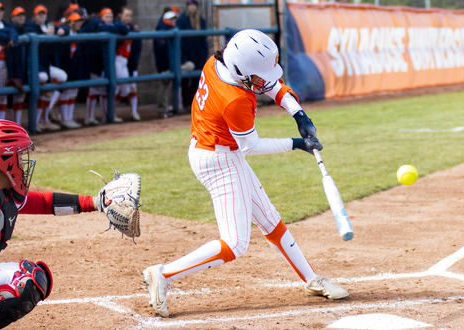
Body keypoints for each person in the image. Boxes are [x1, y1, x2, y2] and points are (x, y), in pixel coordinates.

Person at [142, 29, 349, 318]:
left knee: (270, 220)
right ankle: (164, 274)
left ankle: (312, 279)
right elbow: (251, 145)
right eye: (258, 76)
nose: (265, 81)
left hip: (219, 152)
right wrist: (298, 144)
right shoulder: (234, 99)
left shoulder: (220, 62)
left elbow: (273, 85)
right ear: (242, 72)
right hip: (218, 160)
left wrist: (298, 113)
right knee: (235, 244)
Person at [0, 119, 110, 329]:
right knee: (24, 279)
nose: (23, 161)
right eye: (19, 155)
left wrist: (96, 203)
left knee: (33, 278)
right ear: (4, 157)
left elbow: (45, 203)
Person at [23, 5, 68, 132]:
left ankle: (45, 117)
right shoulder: (30, 25)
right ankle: (36, 123)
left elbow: (66, 29)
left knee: (62, 76)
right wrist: (45, 34)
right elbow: (29, 32)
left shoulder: (49, 25)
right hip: (34, 66)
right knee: (43, 81)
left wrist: (62, 31)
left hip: (46, 66)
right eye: (39, 14)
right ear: (34, 16)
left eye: (43, 14)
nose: (42, 16)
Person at [84, 8, 129, 125]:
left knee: (104, 89)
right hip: (94, 61)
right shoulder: (95, 22)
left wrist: (113, 27)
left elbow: (124, 30)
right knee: (93, 89)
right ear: (101, 17)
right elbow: (101, 27)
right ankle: (90, 117)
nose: (109, 19)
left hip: (105, 62)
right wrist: (114, 29)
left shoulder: (114, 24)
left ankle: (107, 116)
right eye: (106, 17)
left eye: (110, 17)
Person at [175, 0, 208, 113]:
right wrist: (183, 57)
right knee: (185, 80)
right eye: (190, 5)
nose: (192, 7)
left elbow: (204, 40)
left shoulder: (201, 20)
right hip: (186, 53)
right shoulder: (182, 20)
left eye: (194, 5)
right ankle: (186, 103)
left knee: (197, 80)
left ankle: (195, 103)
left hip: (198, 54)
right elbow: (180, 41)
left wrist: (204, 54)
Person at [57, 12, 88, 129]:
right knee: (65, 93)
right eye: (76, 21)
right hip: (65, 67)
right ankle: (64, 119)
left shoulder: (79, 34)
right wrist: (63, 30)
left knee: (73, 93)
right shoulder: (65, 30)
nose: (79, 23)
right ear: (70, 22)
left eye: (80, 21)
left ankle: (69, 118)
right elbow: (60, 29)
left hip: (75, 68)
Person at [0, 2, 19, 121]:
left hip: (2, 64)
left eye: (1, 11)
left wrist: (11, 38)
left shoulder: (7, 26)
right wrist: (5, 38)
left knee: (2, 96)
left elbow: (14, 32)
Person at [116, 6, 141, 121]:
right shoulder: (117, 26)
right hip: (117, 59)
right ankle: (110, 110)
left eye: (130, 15)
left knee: (129, 88)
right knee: (117, 88)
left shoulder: (133, 28)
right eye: (126, 15)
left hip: (128, 62)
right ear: (120, 15)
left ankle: (134, 112)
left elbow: (136, 48)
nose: (128, 18)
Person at [154, 8, 177, 117]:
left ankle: (168, 108)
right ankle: (162, 110)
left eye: (174, 19)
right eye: (170, 19)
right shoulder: (162, 31)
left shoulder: (172, 29)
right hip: (164, 64)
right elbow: (162, 52)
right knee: (164, 85)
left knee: (168, 85)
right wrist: (166, 66)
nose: (172, 21)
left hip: (172, 63)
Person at [8, 7, 28, 125]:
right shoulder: (10, 27)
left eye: (22, 15)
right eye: (18, 15)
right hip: (11, 65)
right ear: (13, 17)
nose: (21, 17)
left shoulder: (25, 28)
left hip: (22, 65)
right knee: (3, 97)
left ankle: (17, 125)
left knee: (21, 95)